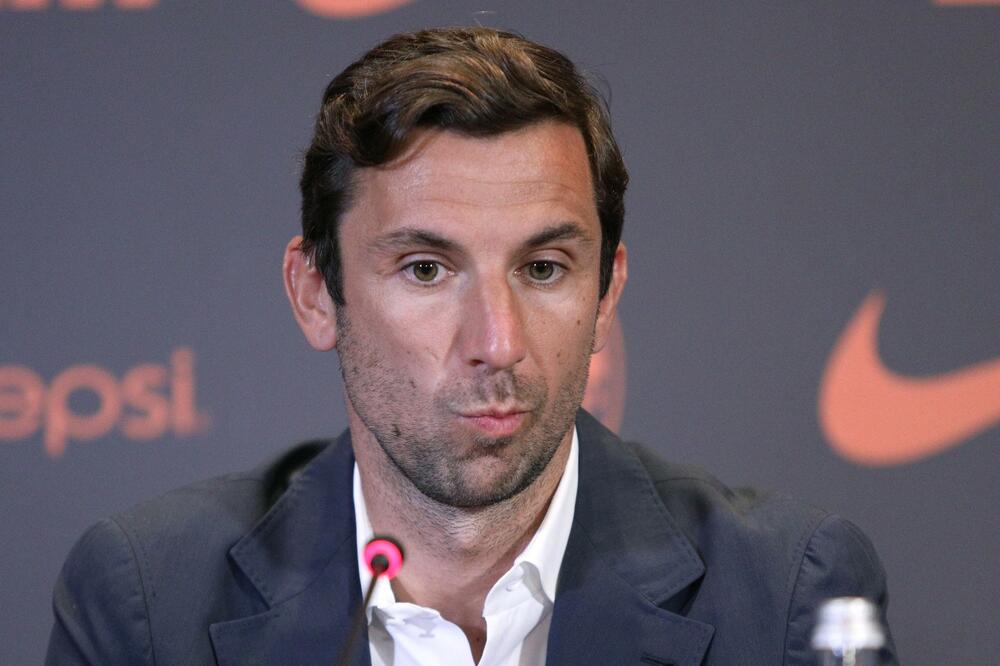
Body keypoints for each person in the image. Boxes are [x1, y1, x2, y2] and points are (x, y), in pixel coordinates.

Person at [46, 27, 898, 665]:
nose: (498, 342)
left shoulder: (791, 593)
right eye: (425, 269)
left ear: (606, 295)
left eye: (543, 268)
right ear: (315, 294)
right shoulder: (148, 603)